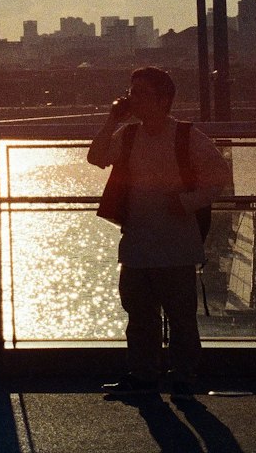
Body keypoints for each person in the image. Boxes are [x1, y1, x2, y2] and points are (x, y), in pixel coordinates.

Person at [87, 66, 231, 399]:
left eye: (141, 92)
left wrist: (187, 202)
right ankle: (144, 375)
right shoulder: (129, 135)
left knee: (181, 317)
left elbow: (218, 174)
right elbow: (96, 156)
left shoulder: (186, 135)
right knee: (139, 315)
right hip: (137, 241)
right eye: (131, 91)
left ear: (163, 99)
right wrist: (112, 119)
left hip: (175, 243)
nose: (132, 98)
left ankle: (182, 375)